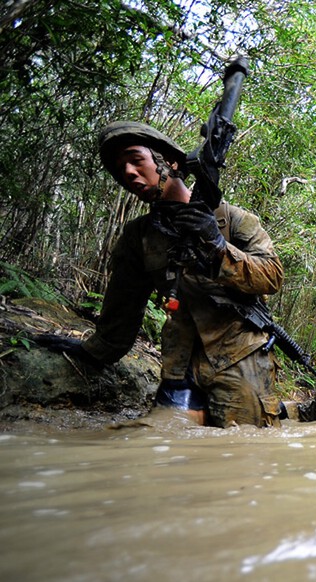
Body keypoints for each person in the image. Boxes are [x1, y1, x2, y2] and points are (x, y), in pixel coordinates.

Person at [36, 121, 283, 428]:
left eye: (136, 159)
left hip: (242, 362)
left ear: (170, 163)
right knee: (158, 447)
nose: (127, 172)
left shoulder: (232, 219)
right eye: (120, 168)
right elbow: (121, 314)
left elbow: (272, 276)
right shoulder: (139, 237)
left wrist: (219, 247)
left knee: (244, 455)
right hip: (179, 368)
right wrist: (90, 352)